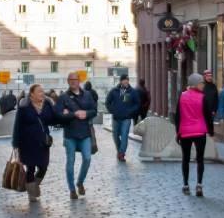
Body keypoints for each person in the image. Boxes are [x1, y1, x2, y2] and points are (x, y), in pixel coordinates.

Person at [56, 72, 97, 200]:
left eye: (76, 79)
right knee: (70, 162)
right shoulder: (63, 97)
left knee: (87, 158)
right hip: (70, 134)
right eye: (71, 79)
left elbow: (94, 111)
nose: (73, 81)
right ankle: (72, 189)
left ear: (79, 81)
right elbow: (58, 115)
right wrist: (73, 114)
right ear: (68, 81)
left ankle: (80, 182)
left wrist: (86, 113)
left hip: (85, 133)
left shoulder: (88, 95)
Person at [13, 84, 56, 202]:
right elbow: (17, 126)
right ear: (32, 94)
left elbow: (54, 119)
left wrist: (55, 106)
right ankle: (31, 193)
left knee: (43, 167)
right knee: (30, 168)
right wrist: (15, 145)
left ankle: (34, 185)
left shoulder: (47, 104)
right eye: (39, 92)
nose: (42, 93)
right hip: (27, 142)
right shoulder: (24, 106)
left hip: (43, 142)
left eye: (43, 91)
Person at [174, 73, 210, 196]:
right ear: (195, 84)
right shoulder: (203, 98)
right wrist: (210, 130)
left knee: (186, 158)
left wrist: (178, 132)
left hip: (185, 132)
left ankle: (185, 185)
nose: (203, 85)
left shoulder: (182, 96)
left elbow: (177, 116)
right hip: (200, 131)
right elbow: (208, 115)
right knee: (200, 159)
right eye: (201, 83)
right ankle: (199, 185)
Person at [105, 74, 140, 162]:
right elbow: (107, 102)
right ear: (120, 81)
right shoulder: (114, 91)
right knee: (115, 136)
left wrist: (130, 111)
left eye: (127, 80)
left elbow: (137, 104)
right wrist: (113, 111)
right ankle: (120, 150)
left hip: (126, 118)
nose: (126, 81)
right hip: (116, 118)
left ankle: (121, 153)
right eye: (124, 80)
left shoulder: (132, 92)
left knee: (124, 136)